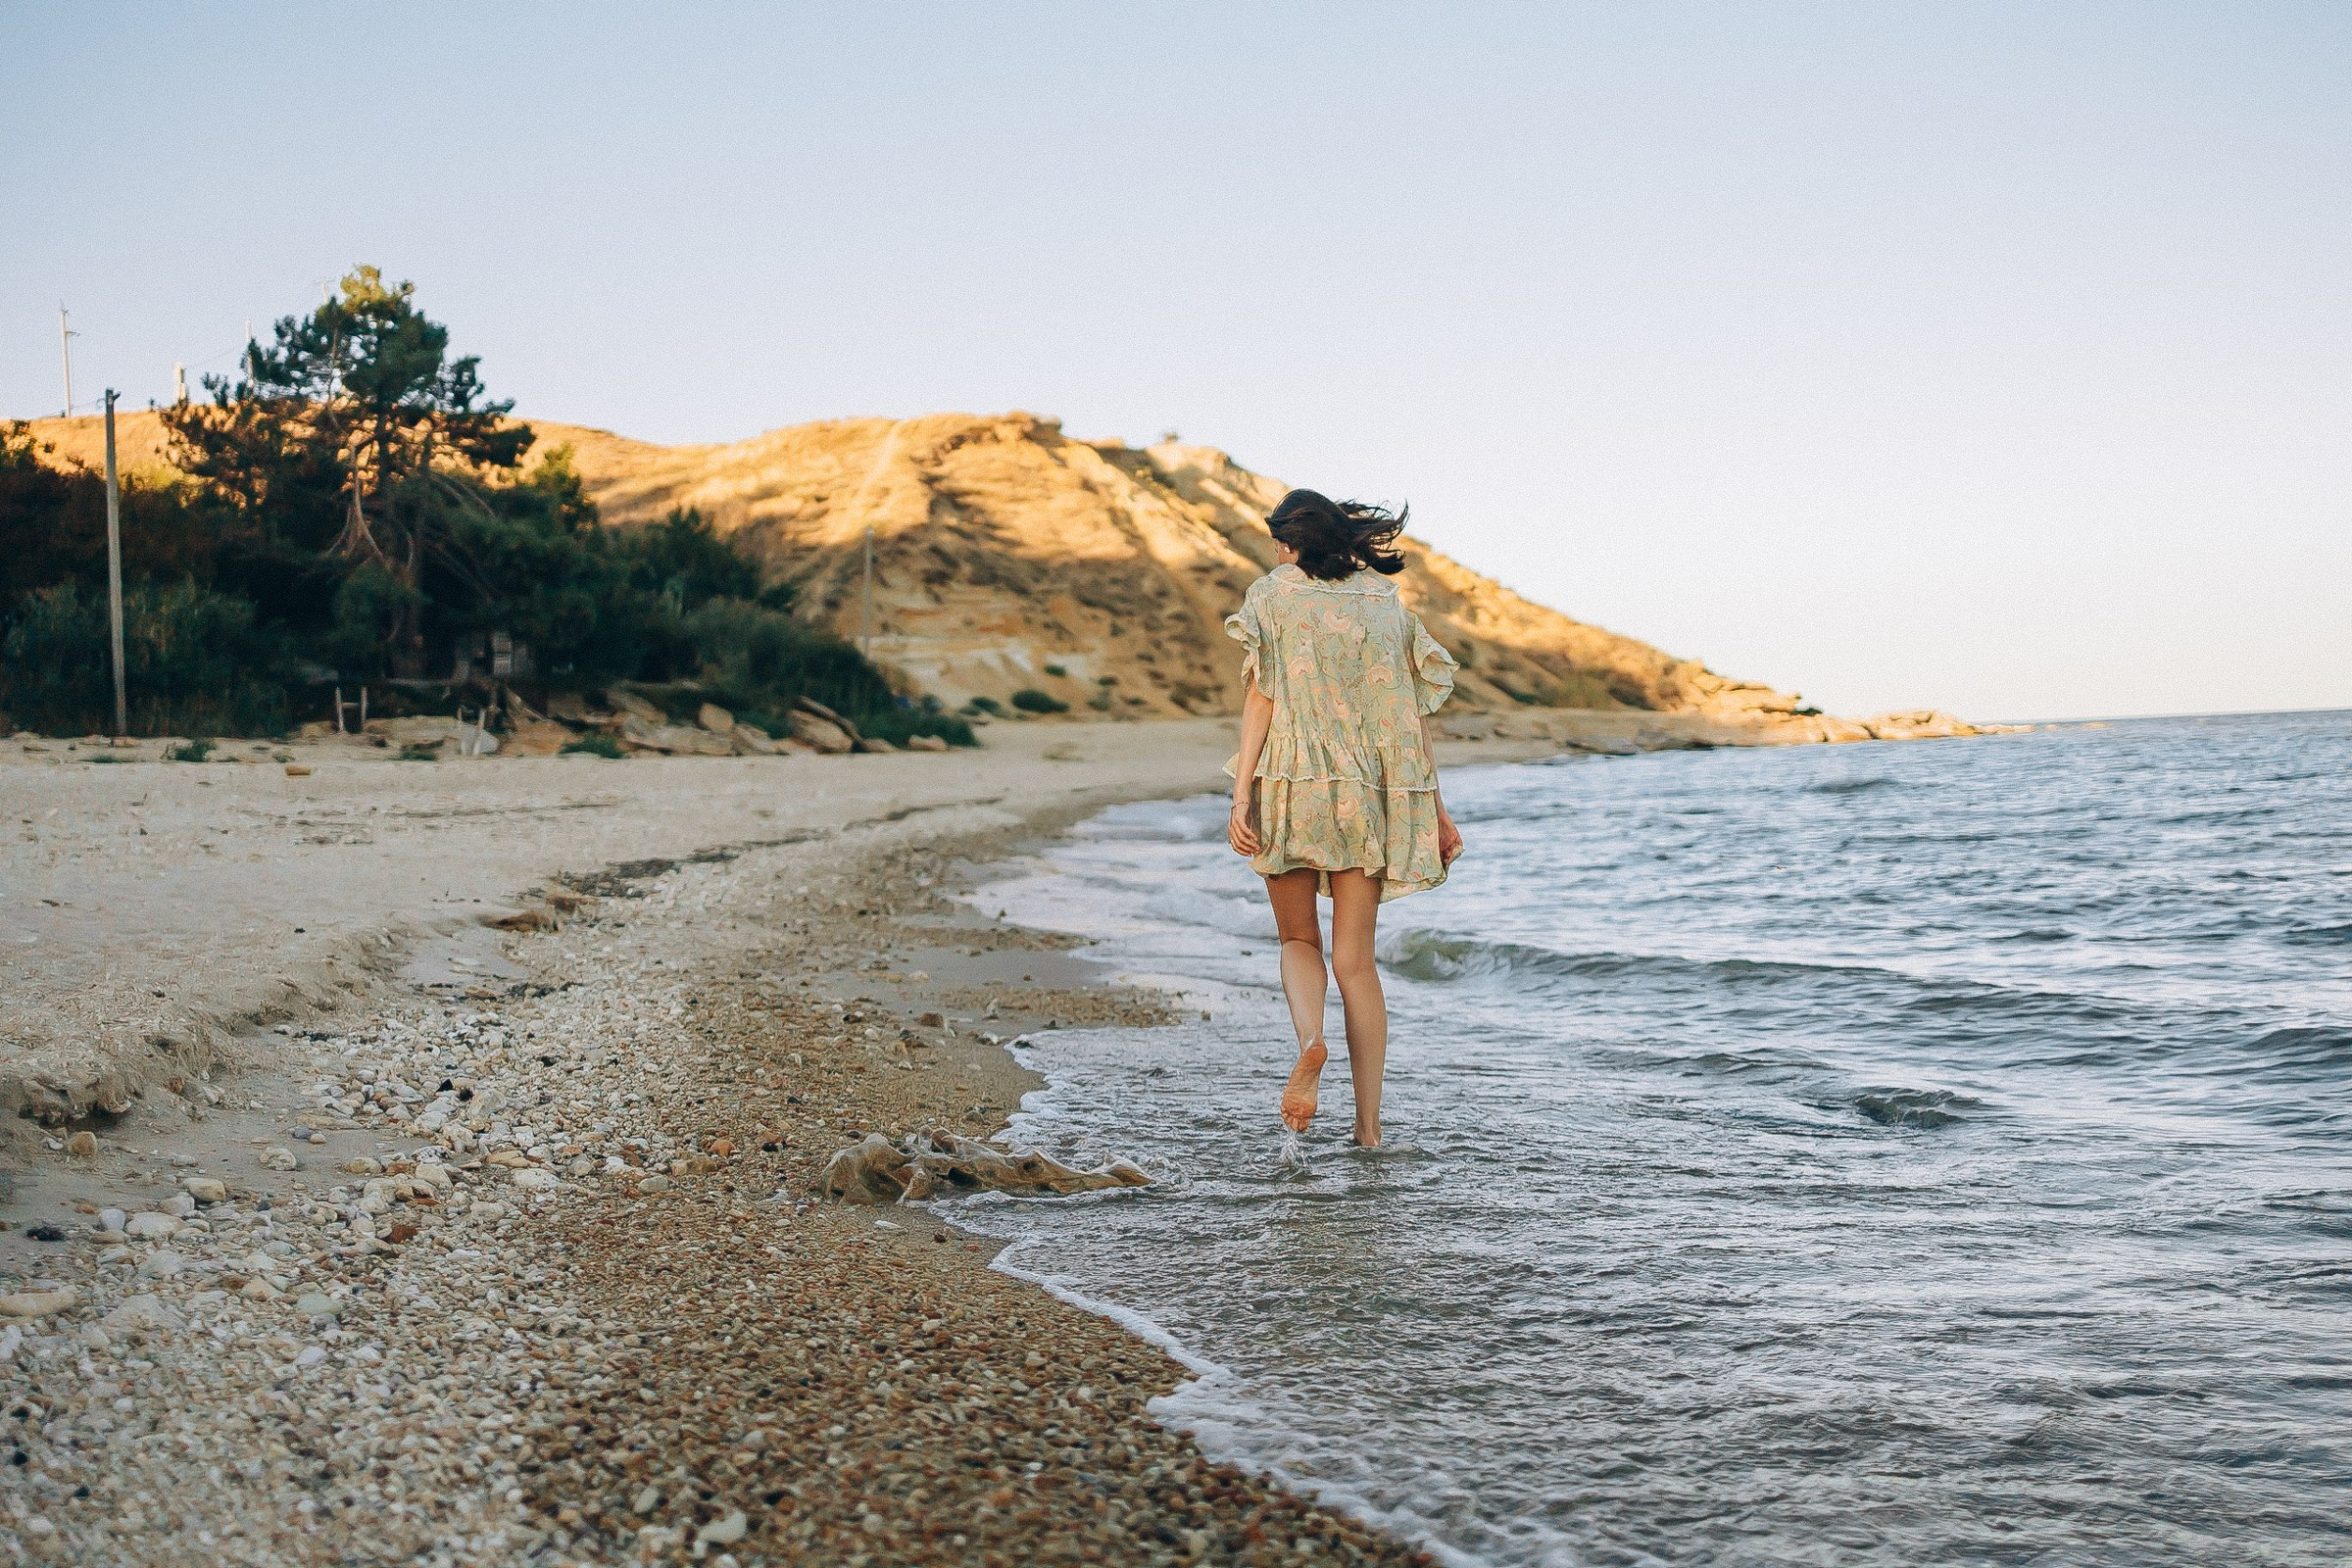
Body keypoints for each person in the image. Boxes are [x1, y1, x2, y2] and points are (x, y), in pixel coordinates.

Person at [1224, 489, 1464, 1147]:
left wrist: (1241, 795)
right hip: (1370, 794)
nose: (1276, 552)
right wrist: (1436, 811)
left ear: (1297, 544)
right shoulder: (1385, 605)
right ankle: (1369, 1130)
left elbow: (1260, 700)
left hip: (1293, 787)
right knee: (1357, 962)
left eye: (1280, 541)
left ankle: (1310, 1040)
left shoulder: (1273, 595)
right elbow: (1407, 721)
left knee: (1299, 942)